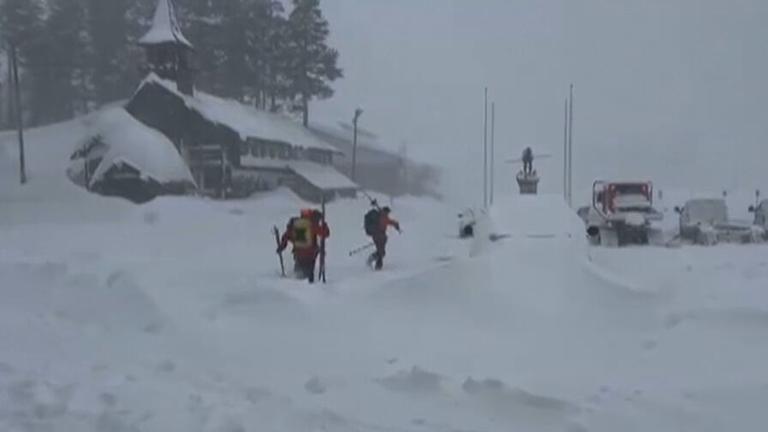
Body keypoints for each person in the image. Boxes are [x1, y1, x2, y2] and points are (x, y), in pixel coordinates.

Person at [277, 208, 329, 283]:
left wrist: (282, 246)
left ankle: (293, 289)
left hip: (298, 255)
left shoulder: (296, 224)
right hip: (310, 256)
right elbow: (325, 233)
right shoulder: (312, 225)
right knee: (309, 279)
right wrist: (324, 225)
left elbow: (286, 236)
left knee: (298, 276)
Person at [366, 206, 400, 270]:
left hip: (378, 236)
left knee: (381, 252)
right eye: (388, 212)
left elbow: (389, 221)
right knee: (381, 252)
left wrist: (395, 224)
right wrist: (396, 224)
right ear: (386, 212)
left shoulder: (381, 216)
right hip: (379, 236)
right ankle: (377, 266)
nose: (388, 214)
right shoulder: (383, 217)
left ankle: (372, 260)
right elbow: (389, 222)